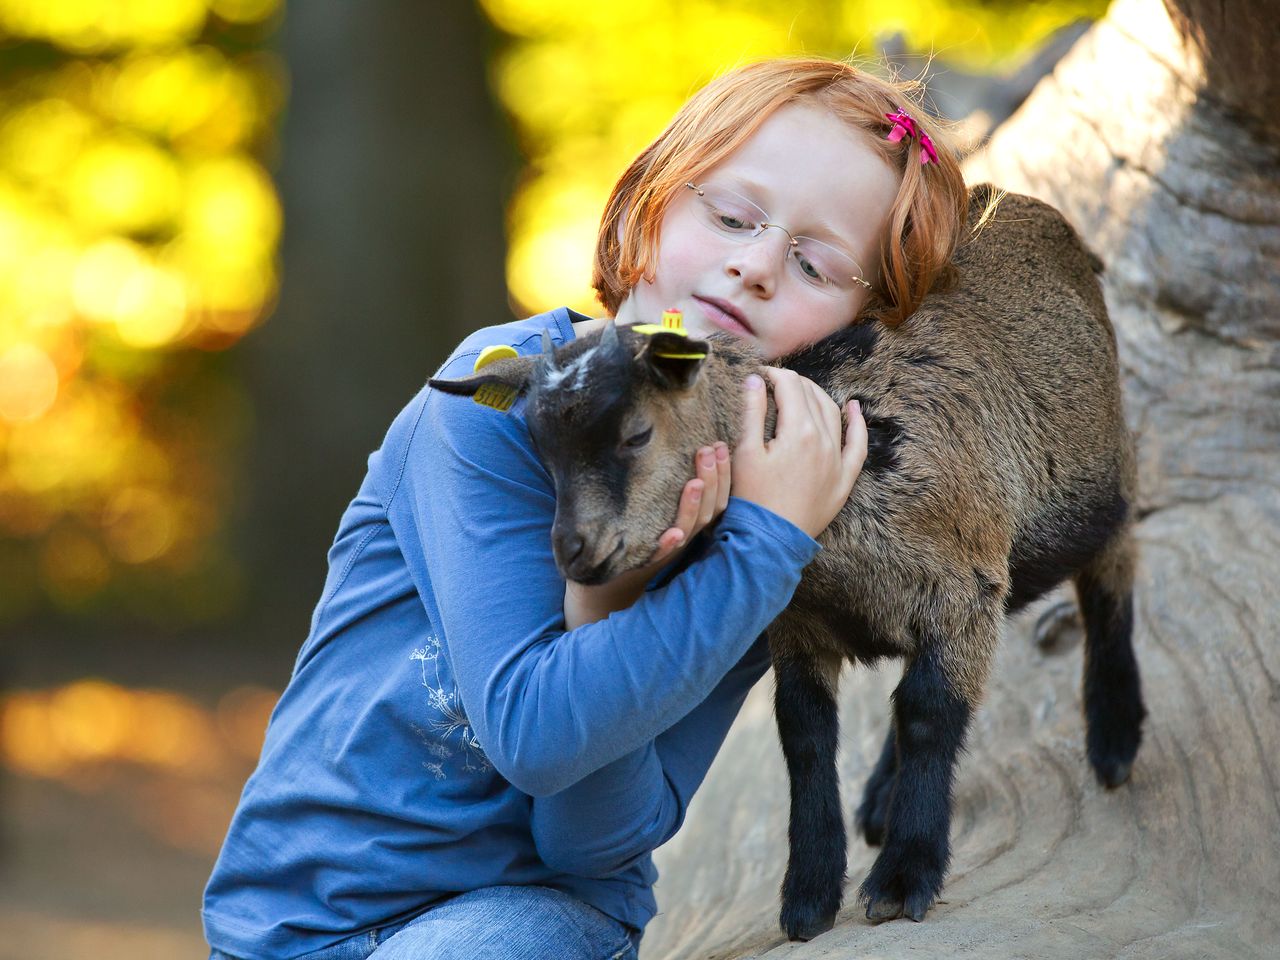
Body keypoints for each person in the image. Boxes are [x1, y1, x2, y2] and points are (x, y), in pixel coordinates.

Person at [203, 57, 969, 960]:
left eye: (814, 264)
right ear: (650, 207)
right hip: (295, 925)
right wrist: (621, 596)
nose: (754, 264)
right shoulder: (499, 396)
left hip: (529, 921)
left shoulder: (774, 511)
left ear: (857, 331)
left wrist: (747, 551)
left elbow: (589, 840)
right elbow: (533, 730)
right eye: (730, 217)